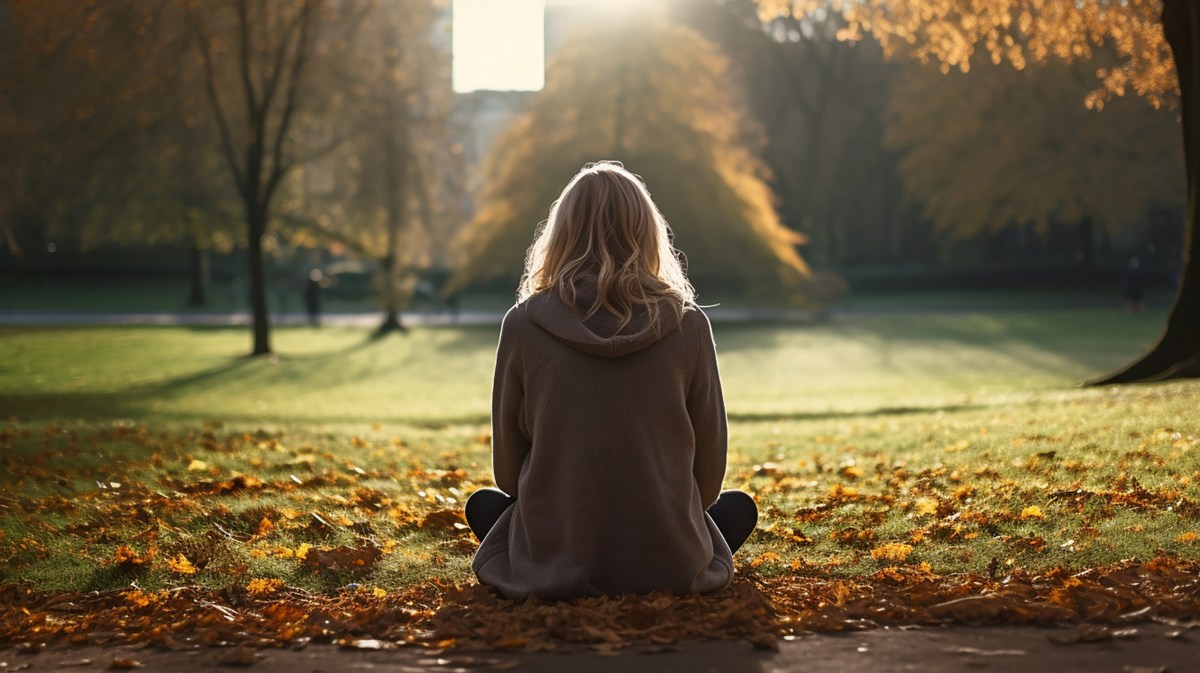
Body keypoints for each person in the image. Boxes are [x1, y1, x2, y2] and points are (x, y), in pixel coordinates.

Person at [463, 161, 757, 601]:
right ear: (645, 232)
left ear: (560, 234)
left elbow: (507, 474)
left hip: (560, 555)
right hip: (668, 559)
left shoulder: (523, 325)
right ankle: (655, 560)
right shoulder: (688, 324)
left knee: (485, 505)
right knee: (736, 508)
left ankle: (562, 564)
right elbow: (709, 477)